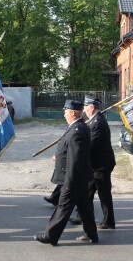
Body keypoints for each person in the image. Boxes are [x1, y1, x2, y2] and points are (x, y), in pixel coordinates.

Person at [34, 100, 98, 246]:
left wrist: (68, 183)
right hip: (80, 178)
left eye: (66, 111)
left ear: (73, 113)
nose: (64, 114)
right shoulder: (77, 127)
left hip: (73, 179)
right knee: (85, 208)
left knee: (63, 208)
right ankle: (92, 234)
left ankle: (50, 236)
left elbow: (76, 160)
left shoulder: (77, 130)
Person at [82, 96, 116, 229]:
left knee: (104, 194)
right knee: (87, 193)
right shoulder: (94, 121)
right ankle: (83, 216)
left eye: (85, 107)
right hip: (95, 164)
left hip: (101, 165)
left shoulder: (97, 123)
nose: (84, 110)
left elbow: (91, 145)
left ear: (91, 107)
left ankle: (109, 221)